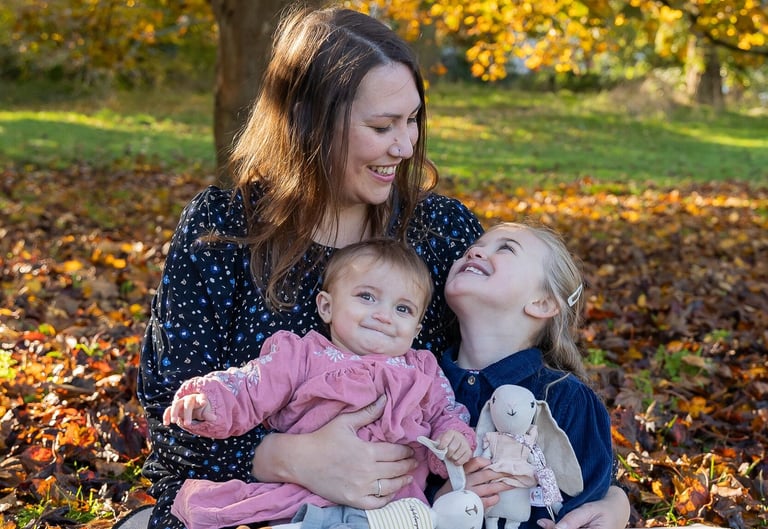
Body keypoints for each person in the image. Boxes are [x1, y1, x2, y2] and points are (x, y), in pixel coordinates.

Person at [133, 5, 630, 529]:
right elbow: (171, 421)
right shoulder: (223, 230)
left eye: (412, 119)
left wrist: (613, 497)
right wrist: (290, 458)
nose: (405, 145)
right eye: (381, 125)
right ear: (307, 121)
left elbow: (529, 373)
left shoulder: (439, 233)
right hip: (251, 506)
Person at [162, 239, 475, 529]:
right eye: (367, 297)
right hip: (310, 499)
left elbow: (447, 412)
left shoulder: (421, 370)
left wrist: (453, 440)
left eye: (402, 308)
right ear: (326, 306)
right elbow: (249, 384)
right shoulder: (302, 356)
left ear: (417, 328)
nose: (383, 315)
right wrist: (207, 400)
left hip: (392, 507)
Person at [435, 221, 615, 529]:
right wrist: (440, 502)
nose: (475, 251)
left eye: (505, 248)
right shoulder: (420, 385)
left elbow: (580, 507)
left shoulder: (566, 399)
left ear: (542, 303)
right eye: (471, 248)